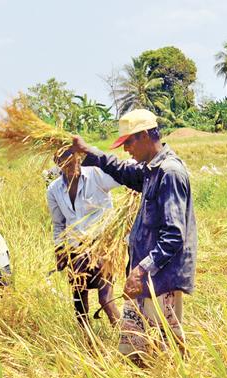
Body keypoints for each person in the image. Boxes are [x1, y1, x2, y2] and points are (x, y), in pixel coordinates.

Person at [70, 109, 197, 363]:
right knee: (136, 350)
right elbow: (123, 171)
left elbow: (174, 235)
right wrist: (89, 152)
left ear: (144, 136)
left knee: (166, 351)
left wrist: (141, 271)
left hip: (160, 278)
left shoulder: (169, 173)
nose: (126, 149)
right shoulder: (150, 170)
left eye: (128, 142)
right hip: (145, 277)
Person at [47, 149, 121, 327]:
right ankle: (87, 344)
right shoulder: (54, 189)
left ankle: (127, 340)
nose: (75, 167)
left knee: (106, 299)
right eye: (68, 164)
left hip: (102, 247)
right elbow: (58, 224)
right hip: (75, 251)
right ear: (58, 163)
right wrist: (60, 249)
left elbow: (125, 176)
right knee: (79, 301)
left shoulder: (96, 175)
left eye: (77, 161)